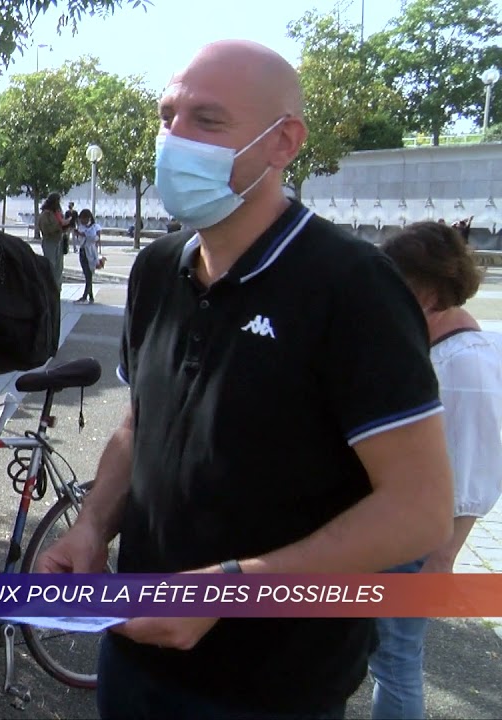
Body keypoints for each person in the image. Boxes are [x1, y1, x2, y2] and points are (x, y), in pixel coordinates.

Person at [37, 39, 454, 719]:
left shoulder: (353, 287)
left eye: (207, 121)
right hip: (132, 656)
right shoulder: (155, 271)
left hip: (274, 689)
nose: (174, 139)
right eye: (167, 115)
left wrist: (232, 590)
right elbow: (140, 423)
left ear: (282, 142)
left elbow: (420, 508)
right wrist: (90, 529)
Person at [369, 221, 502, 720]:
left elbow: (473, 478)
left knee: (397, 661)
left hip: (417, 549)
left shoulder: (465, 362)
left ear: (425, 292)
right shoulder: (435, 348)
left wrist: (441, 560)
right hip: (392, 534)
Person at [36, 192, 66, 287]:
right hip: (50, 242)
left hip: (59, 241)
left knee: (59, 268)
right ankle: (49, 288)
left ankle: (57, 288)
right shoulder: (45, 214)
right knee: (50, 266)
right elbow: (46, 229)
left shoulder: (57, 212)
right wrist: (60, 225)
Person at [73, 208, 101, 303]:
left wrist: (84, 235)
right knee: (87, 274)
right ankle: (90, 296)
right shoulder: (81, 227)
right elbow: (82, 238)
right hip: (83, 251)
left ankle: (86, 296)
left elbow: (95, 238)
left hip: (91, 252)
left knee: (89, 274)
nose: (82, 221)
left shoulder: (95, 227)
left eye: (84, 219)